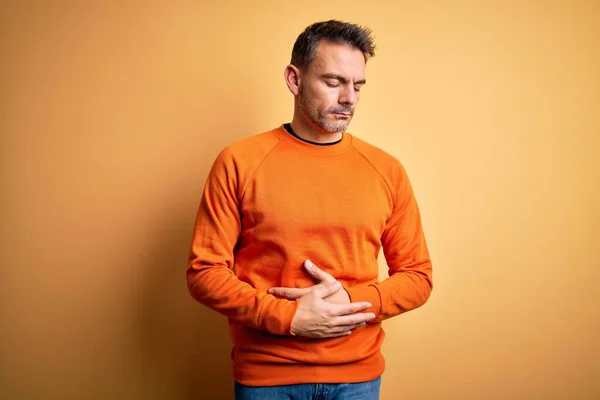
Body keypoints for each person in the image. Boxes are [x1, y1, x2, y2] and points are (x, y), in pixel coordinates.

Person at [186, 19, 433, 400]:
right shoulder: (239, 160)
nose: (349, 97)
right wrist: (289, 318)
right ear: (294, 79)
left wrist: (352, 301)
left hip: (358, 378)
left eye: (358, 85)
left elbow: (418, 277)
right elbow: (204, 273)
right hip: (267, 377)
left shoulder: (386, 170)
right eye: (333, 82)